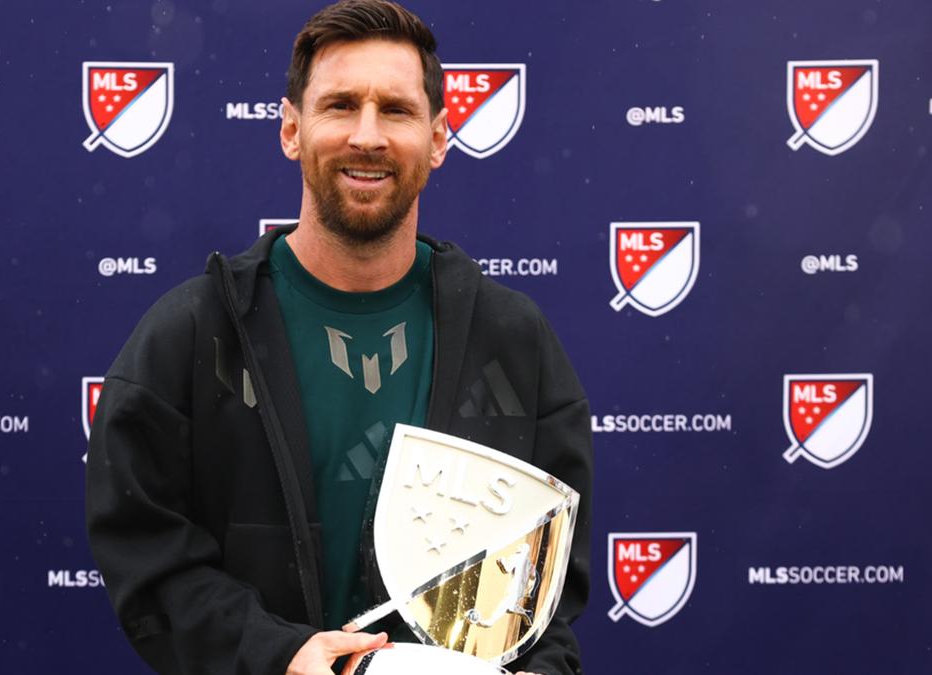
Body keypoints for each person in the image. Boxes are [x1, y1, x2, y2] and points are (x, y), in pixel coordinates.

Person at [85, 1, 593, 674]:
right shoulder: (195, 334)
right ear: (291, 130)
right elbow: (146, 552)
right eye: (341, 106)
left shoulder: (513, 342)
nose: (367, 135)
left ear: (439, 138)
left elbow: (547, 592)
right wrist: (277, 654)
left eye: (396, 110)